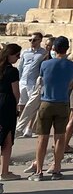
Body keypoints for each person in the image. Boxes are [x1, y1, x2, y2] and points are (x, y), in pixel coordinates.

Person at [28, 36, 73, 182]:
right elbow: (70, 85)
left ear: (54, 48)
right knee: (59, 138)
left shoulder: (45, 64)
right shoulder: (72, 66)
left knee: (42, 138)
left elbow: (42, 80)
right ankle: (56, 169)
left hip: (46, 101)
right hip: (62, 102)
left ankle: (39, 171)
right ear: (67, 49)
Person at [16, 33, 50, 138]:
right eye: (30, 40)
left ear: (40, 40)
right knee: (22, 105)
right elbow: (21, 66)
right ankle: (21, 126)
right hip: (23, 81)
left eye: (34, 40)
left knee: (32, 106)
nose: (32, 42)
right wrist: (18, 79)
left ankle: (29, 128)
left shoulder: (44, 53)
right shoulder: (25, 52)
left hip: (34, 82)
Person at [0, 43, 21, 181]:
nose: (18, 58)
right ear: (9, 55)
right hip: (6, 104)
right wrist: (16, 108)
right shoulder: (12, 71)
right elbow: (16, 93)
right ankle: (4, 172)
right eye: (17, 55)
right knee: (7, 139)